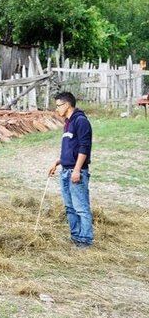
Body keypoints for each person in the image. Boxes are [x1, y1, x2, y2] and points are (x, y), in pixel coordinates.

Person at [48, 92, 94, 248]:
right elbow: (71, 149)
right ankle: (75, 236)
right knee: (70, 207)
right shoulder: (68, 123)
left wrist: (77, 170)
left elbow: (84, 147)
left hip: (76, 172)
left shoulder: (81, 121)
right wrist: (58, 161)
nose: (57, 109)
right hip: (66, 170)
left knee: (81, 207)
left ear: (67, 105)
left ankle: (85, 240)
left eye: (58, 105)